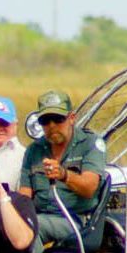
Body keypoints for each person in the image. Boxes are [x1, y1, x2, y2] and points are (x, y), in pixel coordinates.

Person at [17, 89, 107, 243]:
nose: (52, 126)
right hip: (39, 216)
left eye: (58, 119)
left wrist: (64, 175)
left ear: (71, 118)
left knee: (33, 228)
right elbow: (24, 195)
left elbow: (89, 188)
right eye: (45, 121)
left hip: (75, 220)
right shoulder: (34, 150)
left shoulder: (90, 144)